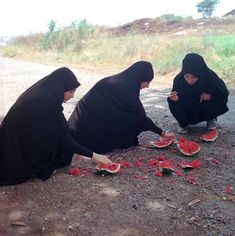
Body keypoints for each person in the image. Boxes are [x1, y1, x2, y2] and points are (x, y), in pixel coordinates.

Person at [0, 67, 111, 186]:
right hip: (14, 146)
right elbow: (61, 138)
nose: (72, 96)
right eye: (70, 91)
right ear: (59, 88)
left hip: (24, 135)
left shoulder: (48, 95)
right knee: (59, 151)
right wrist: (94, 155)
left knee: (63, 145)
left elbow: (62, 129)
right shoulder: (44, 101)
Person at [68, 61, 173, 153]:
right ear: (139, 78)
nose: (147, 86)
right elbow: (140, 118)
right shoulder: (124, 89)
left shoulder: (124, 82)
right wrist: (162, 132)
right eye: (147, 82)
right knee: (133, 120)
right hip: (85, 128)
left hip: (86, 122)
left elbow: (137, 112)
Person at [167, 53, 229, 134]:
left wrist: (210, 96)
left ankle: (210, 118)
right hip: (188, 105)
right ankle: (184, 123)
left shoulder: (210, 76)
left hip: (205, 104)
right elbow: (176, 96)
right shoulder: (178, 79)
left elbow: (224, 93)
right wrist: (175, 98)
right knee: (171, 101)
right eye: (187, 77)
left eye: (193, 77)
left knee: (216, 100)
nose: (190, 80)